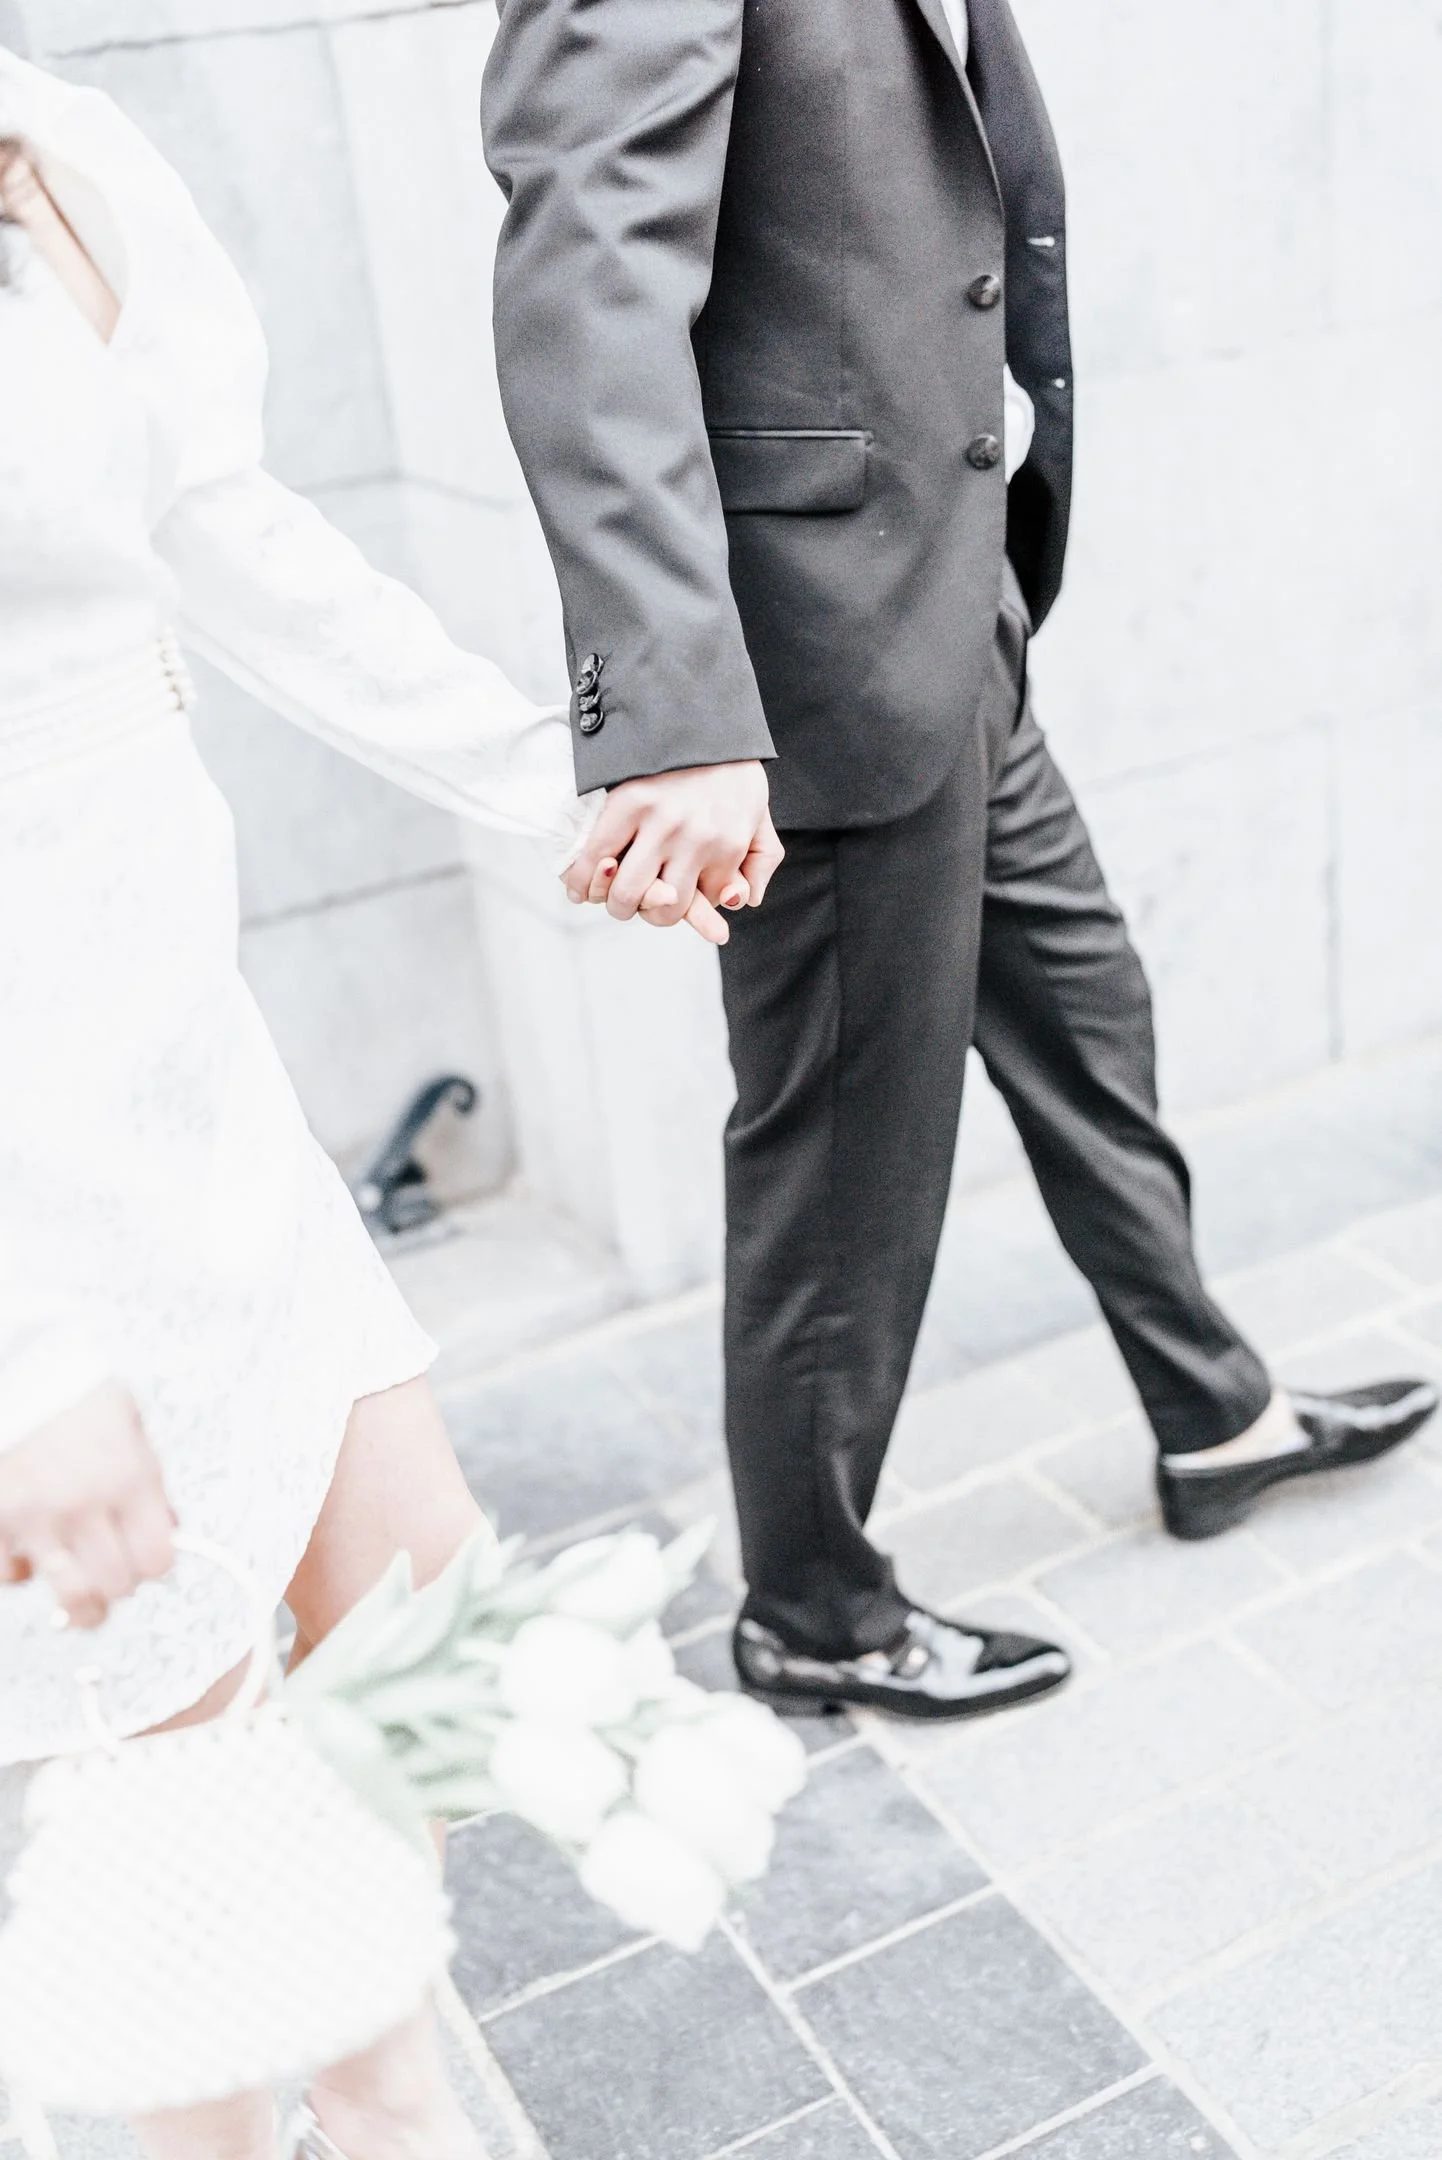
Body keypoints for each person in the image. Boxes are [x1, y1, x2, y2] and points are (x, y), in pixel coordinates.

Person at [480, 0, 1437, 1725]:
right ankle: (814, 1614)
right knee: (845, 1171)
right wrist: (684, 718)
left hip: (952, 604)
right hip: (813, 665)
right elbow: (587, 271)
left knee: (1087, 1013)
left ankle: (1213, 1414)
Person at [0, 47, 737, 2160]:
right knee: (189, 1863)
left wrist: (560, 787)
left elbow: (226, 535)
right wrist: (22, 1355)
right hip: (30, 1177)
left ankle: (406, 2112)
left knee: (421, 1661)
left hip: (189, 1073)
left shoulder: (54, 129)